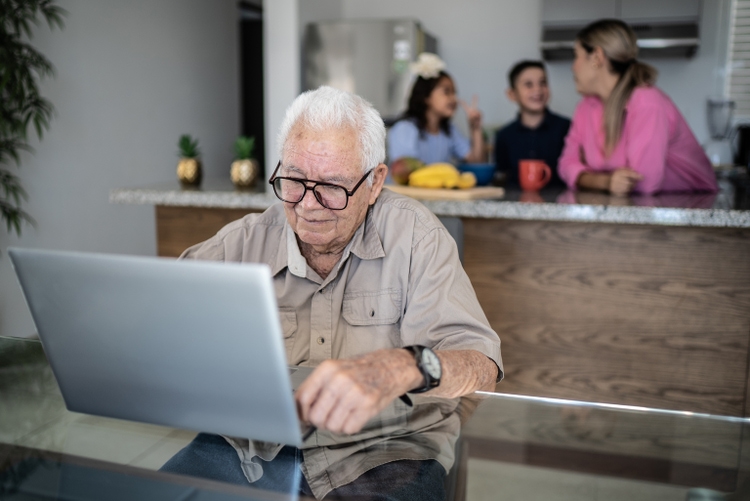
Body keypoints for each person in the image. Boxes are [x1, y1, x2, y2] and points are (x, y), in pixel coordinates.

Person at [160, 86, 503, 500]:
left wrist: (406, 366)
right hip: (253, 452)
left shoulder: (418, 238)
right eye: (294, 180)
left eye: (331, 187)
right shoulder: (245, 241)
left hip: (385, 454)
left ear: (375, 182)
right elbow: (159, 317)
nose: (308, 204)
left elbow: (481, 365)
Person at [558, 19, 717, 196]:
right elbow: (566, 164)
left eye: (576, 56)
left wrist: (590, 179)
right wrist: (606, 182)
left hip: (692, 207)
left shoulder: (647, 102)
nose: (573, 67)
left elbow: (644, 184)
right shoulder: (586, 107)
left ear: (597, 57)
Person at [388, 52, 486, 165]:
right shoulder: (405, 129)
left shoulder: (449, 130)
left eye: (454, 93)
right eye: (446, 92)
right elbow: (404, 170)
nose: (454, 99)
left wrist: (476, 128)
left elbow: (477, 162)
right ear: (426, 96)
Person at [494, 60, 571, 188]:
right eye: (528, 85)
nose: (537, 89)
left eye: (543, 83)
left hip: (559, 204)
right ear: (512, 94)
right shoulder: (504, 136)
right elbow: (502, 177)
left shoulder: (567, 128)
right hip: (516, 205)